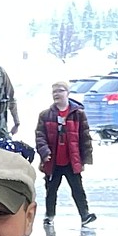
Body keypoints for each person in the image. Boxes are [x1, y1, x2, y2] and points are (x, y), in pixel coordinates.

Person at [35, 81, 97, 226]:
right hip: (53, 161)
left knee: (77, 189)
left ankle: (85, 215)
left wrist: (85, 157)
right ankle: (49, 215)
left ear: (67, 93)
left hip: (71, 161)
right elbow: (40, 136)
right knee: (51, 190)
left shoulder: (78, 114)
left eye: (60, 91)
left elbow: (85, 137)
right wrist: (45, 152)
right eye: (54, 92)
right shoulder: (45, 115)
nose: (56, 94)